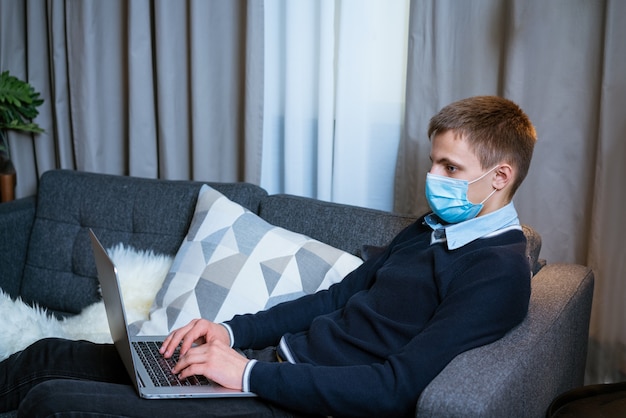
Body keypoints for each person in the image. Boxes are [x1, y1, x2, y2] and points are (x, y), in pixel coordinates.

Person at [0, 95, 537, 418]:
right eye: (434, 163)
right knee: (47, 355)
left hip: (294, 400)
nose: (432, 180)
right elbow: (336, 297)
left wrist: (247, 376)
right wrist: (230, 334)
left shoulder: (498, 273)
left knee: (53, 402)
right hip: (270, 365)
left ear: (500, 177)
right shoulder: (433, 227)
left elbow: (397, 387)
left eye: (450, 169)